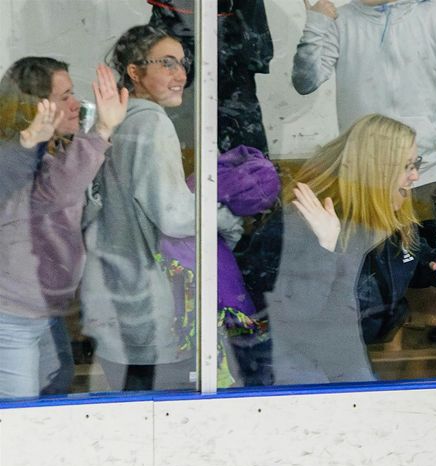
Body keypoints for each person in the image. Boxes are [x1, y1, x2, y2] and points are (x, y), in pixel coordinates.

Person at [293, 0, 436, 346]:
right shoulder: (341, 20)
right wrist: (316, 20)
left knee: (435, 281)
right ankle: (386, 367)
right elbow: (305, 81)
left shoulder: (433, 15)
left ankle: (421, 371)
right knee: (375, 281)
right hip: (365, 179)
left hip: (430, 171)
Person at [81, 25, 243, 392]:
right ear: (134, 73)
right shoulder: (151, 124)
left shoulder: (112, 124)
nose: (181, 75)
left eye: (182, 64)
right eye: (167, 64)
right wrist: (228, 218)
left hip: (111, 299)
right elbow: (174, 215)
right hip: (150, 309)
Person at [266, 114, 436, 385]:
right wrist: (325, 248)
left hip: (354, 350)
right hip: (303, 364)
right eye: (406, 166)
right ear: (376, 170)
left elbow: (401, 263)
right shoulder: (306, 222)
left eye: (416, 163)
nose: (415, 176)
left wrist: (431, 265)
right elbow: (294, 313)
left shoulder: (393, 217)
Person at [0, 59, 127, 399]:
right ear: (35, 104)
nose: (76, 104)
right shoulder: (15, 157)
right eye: (65, 96)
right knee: (21, 417)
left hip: (42, 311)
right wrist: (100, 130)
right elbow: (58, 191)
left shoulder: (45, 150)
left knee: (58, 384)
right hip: (10, 318)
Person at [146, 0, 275, 155]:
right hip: (176, 15)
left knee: (238, 111)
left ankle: (252, 174)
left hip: (231, 22)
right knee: (149, 95)